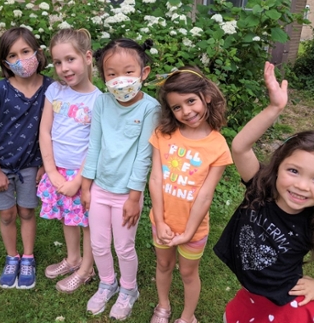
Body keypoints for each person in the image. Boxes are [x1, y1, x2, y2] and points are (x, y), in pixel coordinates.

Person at [214, 62, 314, 323]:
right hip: (250, 294)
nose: (302, 185)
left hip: (287, 305)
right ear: (277, 167)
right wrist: (274, 108)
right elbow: (240, 147)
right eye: (294, 171)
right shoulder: (261, 189)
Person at [81, 38, 160, 320]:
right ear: (103, 77)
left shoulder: (150, 109)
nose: (120, 80)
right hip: (99, 188)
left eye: (128, 72)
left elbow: (143, 156)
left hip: (127, 193)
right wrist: (86, 185)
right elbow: (95, 145)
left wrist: (135, 197)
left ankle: (129, 289)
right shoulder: (102, 103)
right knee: (99, 244)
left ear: (144, 73)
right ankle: (107, 283)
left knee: (123, 246)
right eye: (111, 74)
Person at [148, 66, 233, 323]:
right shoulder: (163, 135)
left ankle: (187, 316)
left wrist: (187, 232)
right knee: (163, 266)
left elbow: (205, 196)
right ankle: (163, 306)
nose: (186, 111)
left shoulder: (217, 145)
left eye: (191, 101)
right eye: (177, 107)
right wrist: (161, 222)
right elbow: (155, 178)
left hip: (193, 229)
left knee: (188, 273)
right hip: (162, 223)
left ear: (205, 96)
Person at [0, 27, 52, 289]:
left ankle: (28, 257)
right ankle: (12, 256)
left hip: (31, 165)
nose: (21, 59)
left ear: (37, 52)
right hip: (1, 166)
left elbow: (54, 131)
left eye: (25, 51)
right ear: (5, 63)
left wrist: (46, 164)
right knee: (7, 215)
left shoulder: (51, 88)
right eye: (13, 55)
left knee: (26, 211)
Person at [37, 28, 101, 293]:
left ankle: (87, 269)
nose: (64, 68)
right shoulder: (55, 91)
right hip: (59, 171)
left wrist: (78, 181)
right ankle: (73, 259)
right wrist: (52, 171)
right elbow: (44, 131)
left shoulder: (99, 100)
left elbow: (97, 145)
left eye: (70, 59)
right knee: (68, 217)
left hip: (83, 175)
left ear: (87, 57)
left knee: (87, 222)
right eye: (58, 62)